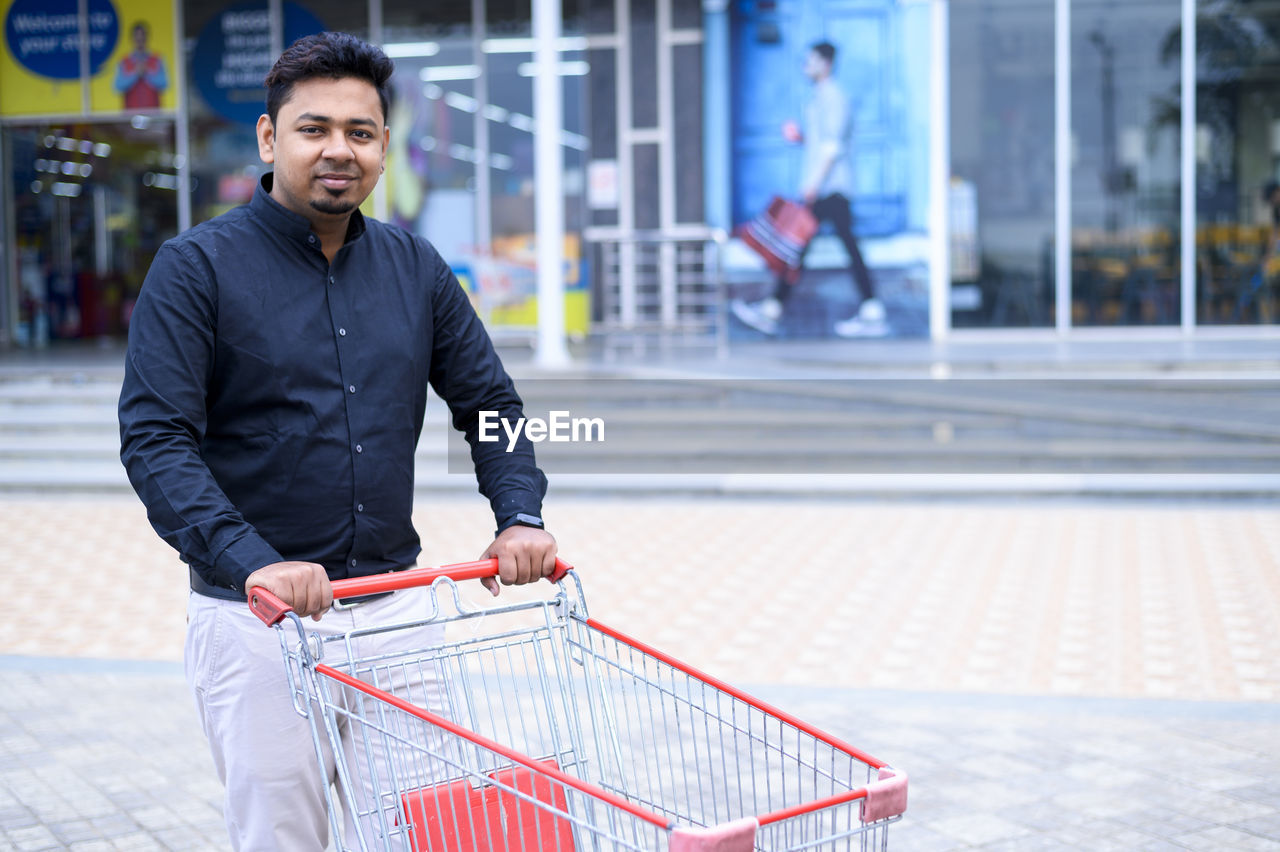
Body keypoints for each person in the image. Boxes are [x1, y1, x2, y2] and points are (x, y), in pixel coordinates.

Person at [118, 32, 557, 850]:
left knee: (421, 832)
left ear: (384, 145)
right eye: (313, 128)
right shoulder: (196, 269)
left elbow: (489, 402)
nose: (338, 150)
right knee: (281, 835)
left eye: (359, 133)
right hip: (256, 622)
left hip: (397, 613)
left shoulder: (415, 267)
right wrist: (255, 561)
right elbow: (156, 440)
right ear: (268, 137)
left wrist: (520, 514)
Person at [731, 41, 886, 338]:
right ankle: (776, 309)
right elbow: (823, 143)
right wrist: (802, 138)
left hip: (831, 189)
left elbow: (833, 147)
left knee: (804, 248)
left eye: (810, 61)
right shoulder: (821, 97)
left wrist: (812, 184)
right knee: (807, 248)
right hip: (828, 187)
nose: (805, 66)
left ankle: (774, 309)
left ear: (825, 63)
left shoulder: (833, 96)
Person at [114, 21, 168, 110]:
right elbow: (117, 86)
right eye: (137, 38)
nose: (140, 41)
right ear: (132, 39)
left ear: (147, 38)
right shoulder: (124, 61)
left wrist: (147, 72)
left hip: (153, 113)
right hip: (130, 114)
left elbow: (164, 83)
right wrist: (135, 74)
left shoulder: (157, 59)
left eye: (143, 37)